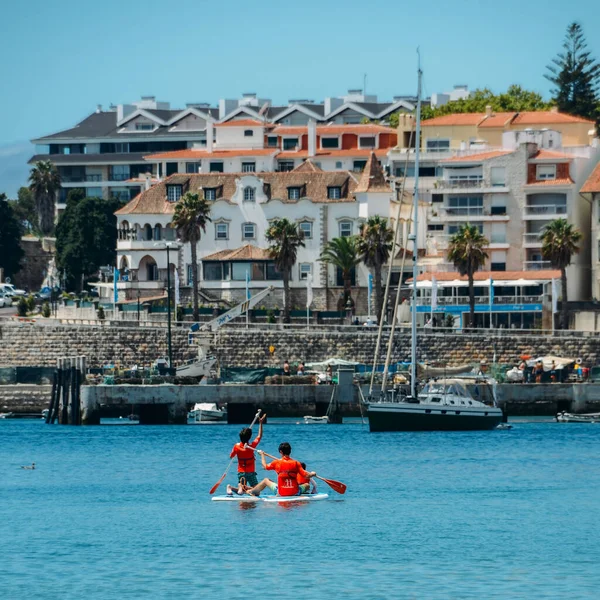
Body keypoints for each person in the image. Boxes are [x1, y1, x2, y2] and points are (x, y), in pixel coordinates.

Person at [245, 442, 316, 497]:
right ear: (290, 451)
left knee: (266, 480)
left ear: (281, 452)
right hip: (295, 492)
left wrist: (262, 455)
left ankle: (253, 491)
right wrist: (313, 473)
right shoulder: (296, 463)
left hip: (281, 493)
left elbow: (265, 466)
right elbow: (306, 476)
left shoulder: (277, 462)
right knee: (307, 485)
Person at [226, 413, 267, 495]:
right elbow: (259, 436)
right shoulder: (251, 446)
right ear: (249, 437)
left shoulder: (236, 447)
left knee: (244, 491)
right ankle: (241, 487)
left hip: (241, 472)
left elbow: (231, 456)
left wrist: (234, 453)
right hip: (251, 472)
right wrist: (260, 423)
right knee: (257, 492)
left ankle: (233, 487)